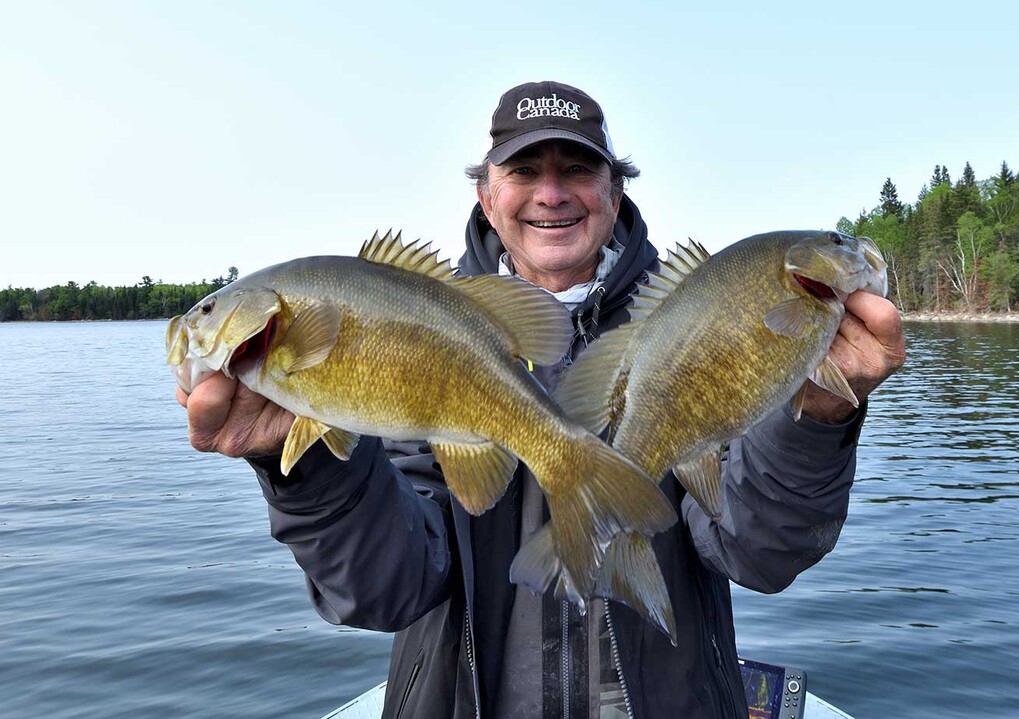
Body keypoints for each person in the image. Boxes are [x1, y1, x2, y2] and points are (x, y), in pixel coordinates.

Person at [177, 80, 905, 718]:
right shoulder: (426, 328)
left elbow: (760, 551)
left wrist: (818, 416)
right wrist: (299, 469)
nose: (551, 193)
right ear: (487, 198)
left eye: (578, 168)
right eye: (524, 170)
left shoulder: (687, 327)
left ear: (615, 192)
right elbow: (387, 591)